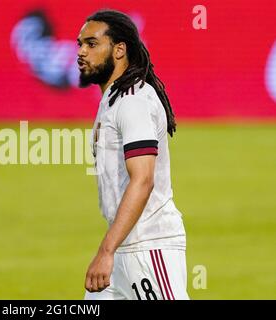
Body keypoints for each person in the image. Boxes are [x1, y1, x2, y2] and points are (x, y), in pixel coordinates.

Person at [77, 9, 189, 300]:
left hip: (149, 247)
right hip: (122, 248)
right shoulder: (113, 99)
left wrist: (105, 250)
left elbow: (143, 179)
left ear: (119, 50)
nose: (80, 52)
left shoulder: (133, 101)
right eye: (80, 44)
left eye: (91, 44)